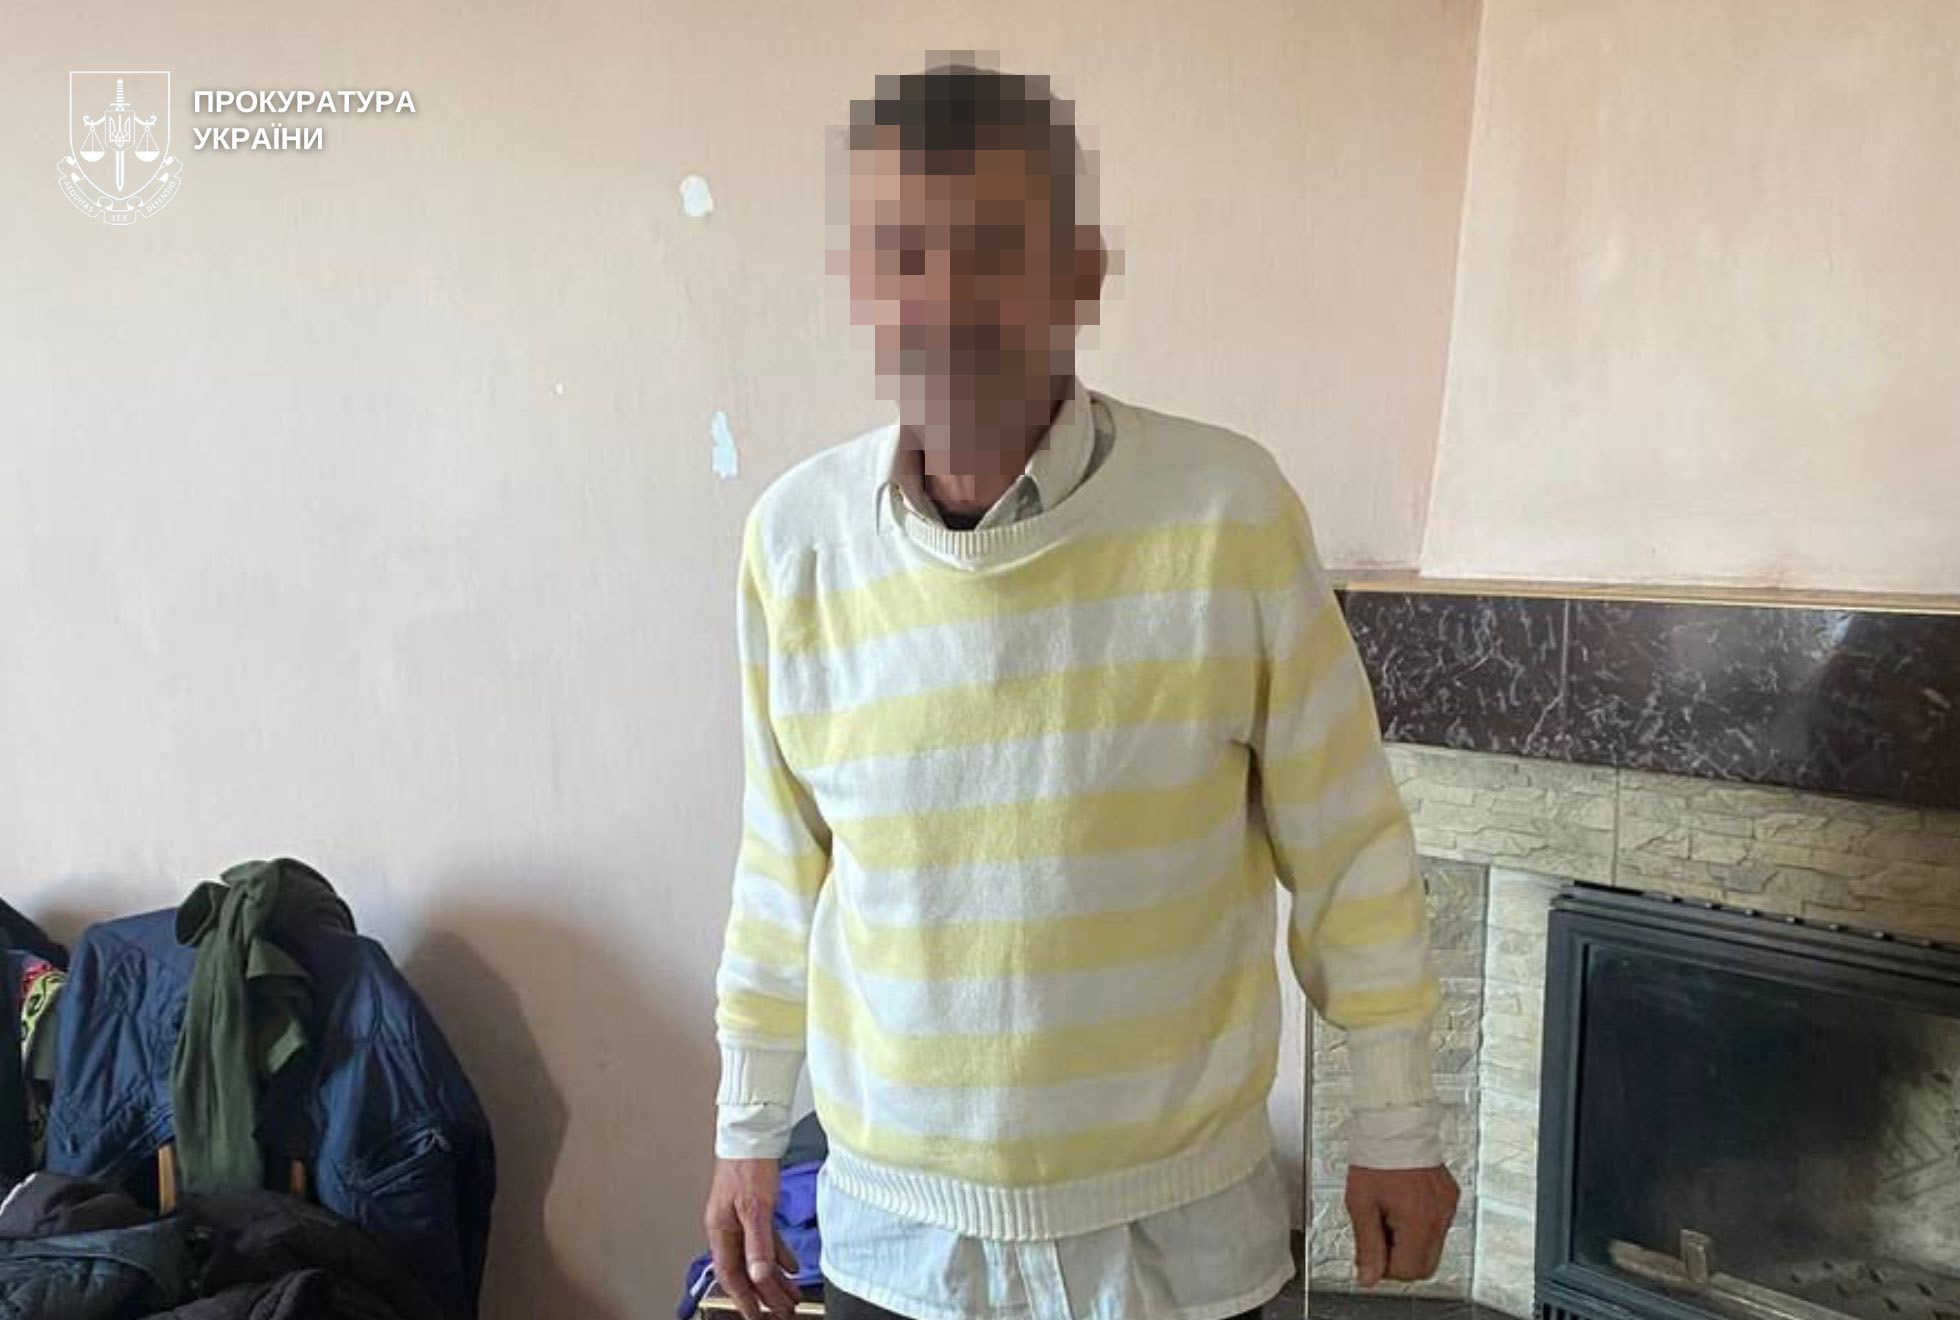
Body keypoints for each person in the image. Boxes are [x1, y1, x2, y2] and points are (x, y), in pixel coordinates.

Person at [701, 57, 1459, 1320]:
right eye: (905, 254)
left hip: (1178, 1257)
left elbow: (1351, 847)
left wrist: (1397, 1120)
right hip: (897, 1253)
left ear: (1079, 272)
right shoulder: (796, 541)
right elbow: (781, 868)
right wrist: (746, 1127)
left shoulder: (1227, 512)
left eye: (994, 248)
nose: (946, 299)